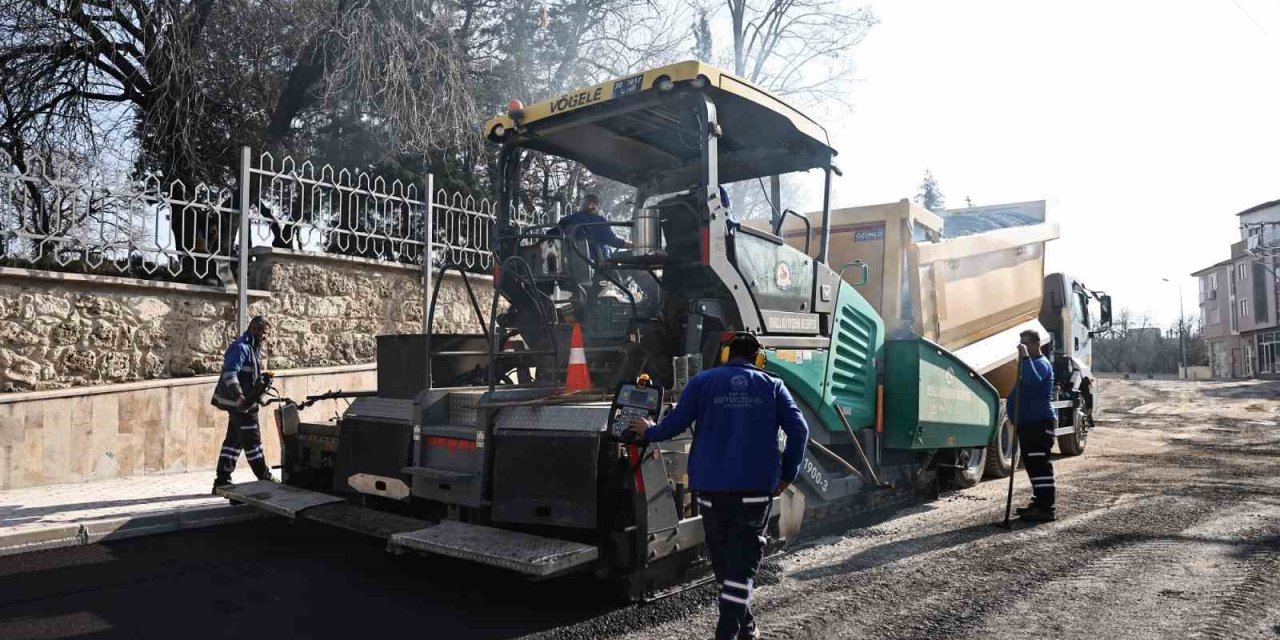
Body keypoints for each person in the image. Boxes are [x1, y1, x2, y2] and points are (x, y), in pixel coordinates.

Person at [629, 332, 809, 640]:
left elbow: (674, 425)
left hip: (712, 490)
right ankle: (734, 630)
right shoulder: (774, 385)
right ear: (758, 358)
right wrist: (787, 475)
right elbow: (800, 430)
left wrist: (649, 432)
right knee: (742, 563)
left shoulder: (702, 382)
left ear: (725, 355)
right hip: (755, 491)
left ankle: (738, 629)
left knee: (725, 560)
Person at [210, 316, 275, 493]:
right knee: (253, 441)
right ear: (255, 330)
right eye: (264, 333)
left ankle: (221, 480)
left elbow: (249, 378)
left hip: (244, 403)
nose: (266, 337)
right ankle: (264, 477)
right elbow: (230, 374)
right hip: (241, 405)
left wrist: (259, 393)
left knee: (233, 441)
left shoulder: (252, 348)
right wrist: (239, 396)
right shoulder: (241, 348)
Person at [1007, 329, 1057, 522]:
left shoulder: (1041, 363)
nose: (1023, 347)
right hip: (1028, 424)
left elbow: (1032, 381)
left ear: (1037, 344)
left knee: (1039, 466)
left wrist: (1025, 358)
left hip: (1039, 424)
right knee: (1033, 466)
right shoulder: (1030, 364)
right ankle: (1039, 503)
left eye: (1026, 343)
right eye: (1021, 343)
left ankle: (1046, 509)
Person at [559, 194, 631, 262]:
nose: (599, 210)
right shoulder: (599, 221)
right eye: (598, 207)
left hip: (569, 264)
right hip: (598, 265)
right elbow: (614, 242)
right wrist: (635, 245)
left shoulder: (565, 220)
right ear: (592, 206)